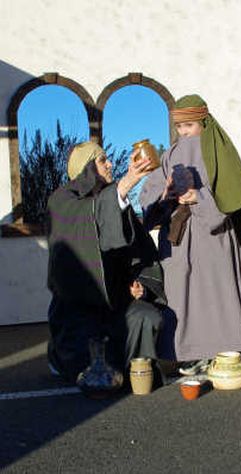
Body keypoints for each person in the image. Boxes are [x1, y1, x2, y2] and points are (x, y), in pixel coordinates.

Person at [140, 94, 241, 376]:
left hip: (213, 236)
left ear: (204, 123)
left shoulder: (220, 151)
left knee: (215, 293)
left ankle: (224, 350)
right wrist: (166, 195)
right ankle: (186, 353)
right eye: (180, 128)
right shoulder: (170, 154)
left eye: (190, 126)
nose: (185, 134)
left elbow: (233, 193)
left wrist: (199, 197)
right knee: (180, 294)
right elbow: (150, 194)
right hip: (179, 237)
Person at [47, 141, 166, 386]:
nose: (110, 164)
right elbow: (91, 217)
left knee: (147, 316)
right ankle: (58, 355)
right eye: (102, 160)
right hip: (79, 309)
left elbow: (139, 254)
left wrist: (139, 284)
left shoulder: (114, 199)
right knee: (86, 361)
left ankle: (134, 370)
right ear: (86, 167)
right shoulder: (61, 200)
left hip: (119, 303)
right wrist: (127, 183)